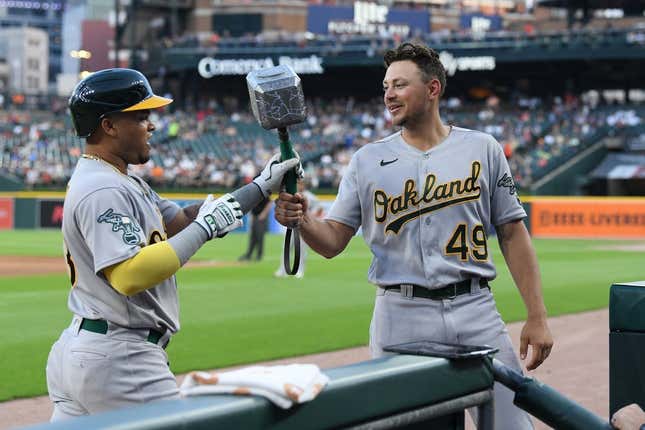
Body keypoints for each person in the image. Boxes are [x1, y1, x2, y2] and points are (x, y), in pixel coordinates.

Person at [274, 41, 553, 429]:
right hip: (400, 315)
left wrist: (536, 315)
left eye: (400, 85)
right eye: (386, 86)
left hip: (474, 309)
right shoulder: (366, 160)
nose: (388, 94)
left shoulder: (482, 148)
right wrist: (302, 220)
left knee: (510, 424)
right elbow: (333, 240)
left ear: (433, 89)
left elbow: (512, 232)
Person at [45, 68, 300, 420]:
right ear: (109, 125)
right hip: (121, 359)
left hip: (92, 348)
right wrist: (208, 227)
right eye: (141, 116)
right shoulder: (103, 188)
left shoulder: (118, 178)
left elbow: (182, 220)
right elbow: (129, 274)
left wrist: (259, 186)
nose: (151, 125)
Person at [274, 179, 324, 278]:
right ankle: (282, 270)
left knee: (301, 249)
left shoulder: (309, 196)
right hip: (290, 226)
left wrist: (311, 217)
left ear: (304, 185)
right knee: (286, 248)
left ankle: (300, 271)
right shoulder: (291, 195)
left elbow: (320, 207)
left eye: (300, 183)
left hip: (303, 227)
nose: (299, 185)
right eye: (297, 183)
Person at [239, 195, 272, 261]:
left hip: (261, 218)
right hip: (254, 217)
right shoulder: (255, 195)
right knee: (252, 237)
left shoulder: (264, 194)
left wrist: (263, 214)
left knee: (259, 236)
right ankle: (249, 254)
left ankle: (259, 255)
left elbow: (269, 203)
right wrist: (251, 216)